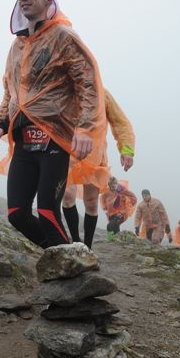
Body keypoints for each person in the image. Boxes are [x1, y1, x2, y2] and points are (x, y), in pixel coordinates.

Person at [0, 0, 108, 248]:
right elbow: (11, 90)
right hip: (23, 138)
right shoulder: (17, 46)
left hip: (54, 136)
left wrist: (86, 128)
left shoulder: (63, 36)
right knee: (17, 214)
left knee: (48, 211)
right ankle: (65, 258)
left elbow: (88, 82)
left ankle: (71, 264)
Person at [62, 89, 135, 248]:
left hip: (95, 154)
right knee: (67, 195)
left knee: (91, 202)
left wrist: (126, 150)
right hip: (67, 151)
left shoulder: (102, 93)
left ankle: (87, 247)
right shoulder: (64, 86)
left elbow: (120, 122)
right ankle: (76, 242)